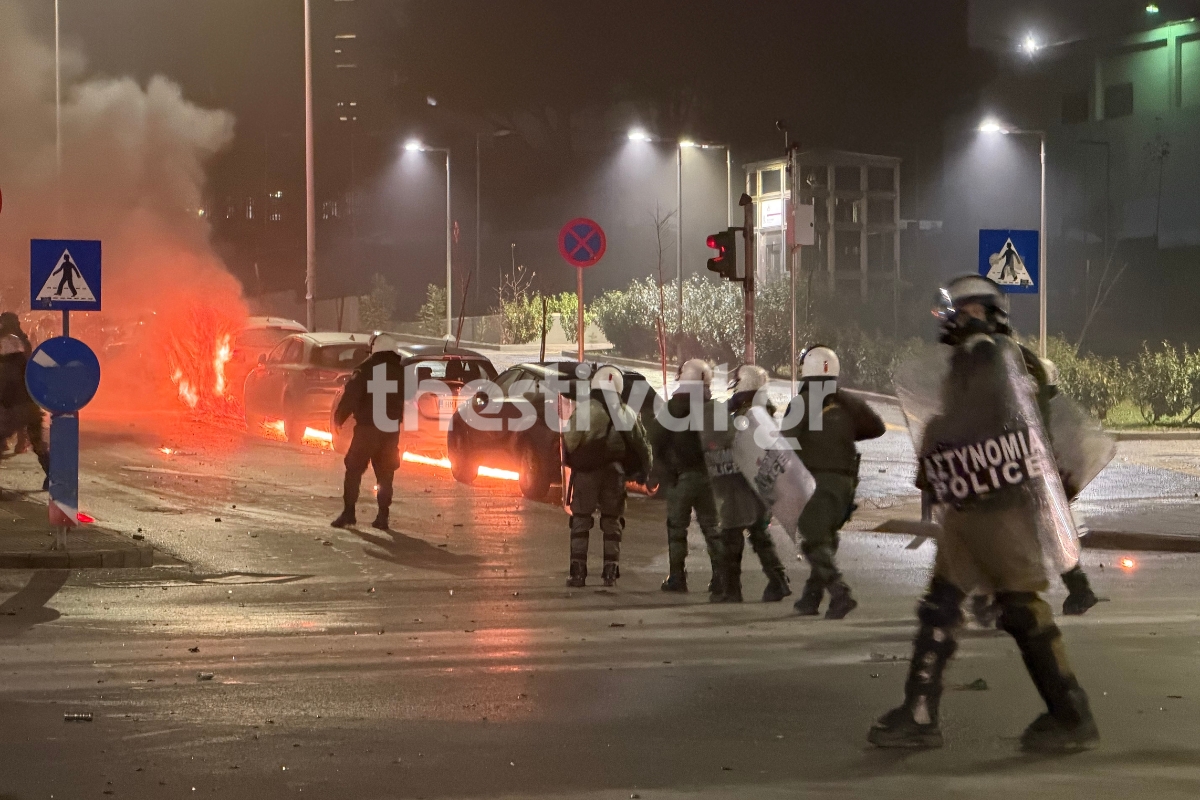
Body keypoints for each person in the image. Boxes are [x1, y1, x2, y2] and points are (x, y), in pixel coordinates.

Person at [869, 275, 1098, 752]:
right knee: (941, 606)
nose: (957, 317)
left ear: (990, 311)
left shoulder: (996, 357)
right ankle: (919, 713)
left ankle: (1070, 714)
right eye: (957, 309)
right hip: (972, 503)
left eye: (968, 309)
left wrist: (936, 436)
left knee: (1019, 608)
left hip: (1002, 506)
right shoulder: (982, 358)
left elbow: (990, 422)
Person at [782, 346, 885, 619]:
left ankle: (840, 594)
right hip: (845, 484)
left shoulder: (802, 402)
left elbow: (785, 443)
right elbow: (877, 427)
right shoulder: (846, 402)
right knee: (825, 537)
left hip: (816, 482)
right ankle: (811, 598)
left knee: (813, 540)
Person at [704, 364, 791, 603]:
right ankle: (778, 580)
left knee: (731, 534)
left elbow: (733, 443)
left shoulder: (747, 414)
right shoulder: (763, 411)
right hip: (760, 484)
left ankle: (732, 590)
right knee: (758, 532)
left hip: (738, 484)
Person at [563, 365, 651, 588]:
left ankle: (577, 573)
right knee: (612, 522)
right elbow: (642, 445)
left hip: (587, 474)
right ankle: (610, 573)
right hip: (615, 474)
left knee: (581, 520)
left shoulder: (585, 410)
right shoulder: (627, 412)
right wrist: (645, 473)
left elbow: (570, 442)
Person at [650, 359, 724, 598]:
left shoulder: (672, 408)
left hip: (681, 477)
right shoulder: (713, 408)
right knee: (712, 527)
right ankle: (721, 578)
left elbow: (656, 440)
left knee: (676, 527)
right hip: (710, 477)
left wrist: (660, 470)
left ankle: (677, 577)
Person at [331, 333, 404, 531]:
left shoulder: (365, 368)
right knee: (385, 472)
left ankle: (349, 513)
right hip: (390, 430)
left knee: (354, 469)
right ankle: (382, 516)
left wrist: (339, 418)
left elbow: (352, 395)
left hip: (367, 430)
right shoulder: (401, 372)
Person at [0, 334, 49, 485]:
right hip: (32, 410)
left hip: (12, 413)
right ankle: (54, 478)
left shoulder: (4, 367)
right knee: (38, 444)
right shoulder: (30, 362)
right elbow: (49, 370)